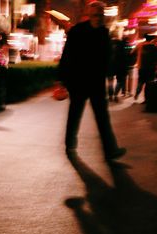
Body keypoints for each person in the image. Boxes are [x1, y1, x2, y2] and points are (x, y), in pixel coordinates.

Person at [58, 1, 126, 160]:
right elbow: (66, 55)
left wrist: (109, 73)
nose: (98, 18)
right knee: (75, 114)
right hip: (78, 82)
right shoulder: (77, 31)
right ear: (89, 15)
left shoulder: (104, 32)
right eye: (95, 15)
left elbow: (107, 56)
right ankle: (70, 144)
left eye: (101, 15)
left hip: (96, 82)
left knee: (103, 118)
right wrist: (61, 80)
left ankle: (111, 150)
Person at [133, 33, 157, 102]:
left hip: (141, 67)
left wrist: (137, 56)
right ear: (151, 40)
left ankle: (137, 93)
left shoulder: (140, 45)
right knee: (148, 84)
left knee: (141, 82)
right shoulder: (154, 47)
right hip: (151, 68)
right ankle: (146, 99)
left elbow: (132, 52)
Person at [107, 36, 130, 102]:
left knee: (110, 81)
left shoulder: (108, 43)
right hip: (120, 65)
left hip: (109, 65)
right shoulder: (122, 43)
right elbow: (126, 55)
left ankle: (110, 96)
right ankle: (115, 95)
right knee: (120, 81)